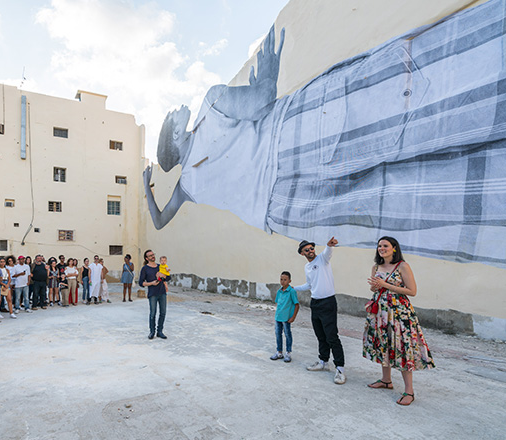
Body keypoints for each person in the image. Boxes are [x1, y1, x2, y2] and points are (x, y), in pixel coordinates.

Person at [145, 1, 506, 269]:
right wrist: (268, 75)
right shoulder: (213, 102)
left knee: (426, 201)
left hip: (286, 210)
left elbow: (160, 220)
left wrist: (147, 187)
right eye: (172, 117)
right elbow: (262, 100)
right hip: (291, 138)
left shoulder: (187, 186)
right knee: (440, 93)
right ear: (175, 135)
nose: (176, 111)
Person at [363, 236, 435, 406]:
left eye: (385, 246)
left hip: (399, 313)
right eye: (379, 246)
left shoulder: (402, 266)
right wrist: (375, 286)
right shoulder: (376, 267)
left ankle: (409, 391)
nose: (382, 248)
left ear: (394, 248)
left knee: (402, 348)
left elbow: (412, 291)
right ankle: (386, 380)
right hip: (380, 312)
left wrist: (385, 285)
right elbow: (375, 288)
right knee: (383, 344)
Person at [293, 237, 346, 385]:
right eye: (306, 250)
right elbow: (309, 285)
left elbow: (328, 252)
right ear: (302, 253)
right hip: (315, 302)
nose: (310, 251)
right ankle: (323, 362)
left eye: (311, 248)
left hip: (328, 302)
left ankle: (340, 368)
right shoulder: (307, 267)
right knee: (320, 335)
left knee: (332, 336)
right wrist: (293, 288)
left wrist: (330, 246)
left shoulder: (322, 259)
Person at [139, 249, 170, 340]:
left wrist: (163, 275)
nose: (153, 256)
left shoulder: (161, 266)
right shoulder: (145, 269)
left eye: (153, 254)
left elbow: (168, 277)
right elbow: (141, 283)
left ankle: (160, 331)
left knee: (163, 313)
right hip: (152, 294)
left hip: (162, 293)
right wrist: (151, 283)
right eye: (150, 255)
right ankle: (152, 332)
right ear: (147, 258)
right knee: (153, 313)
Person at [270, 271, 299, 363]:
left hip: (286, 318)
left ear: (289, 281)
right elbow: (278, 303)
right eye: (281, 279)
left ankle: (288, 353)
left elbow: (297, 305)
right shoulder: (279, 291)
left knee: (287, 334)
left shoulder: (291, 291)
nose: (283, 281)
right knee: (278, 334)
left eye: (285, 280)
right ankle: (279, 352)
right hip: (278, 317)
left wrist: (293, 317)